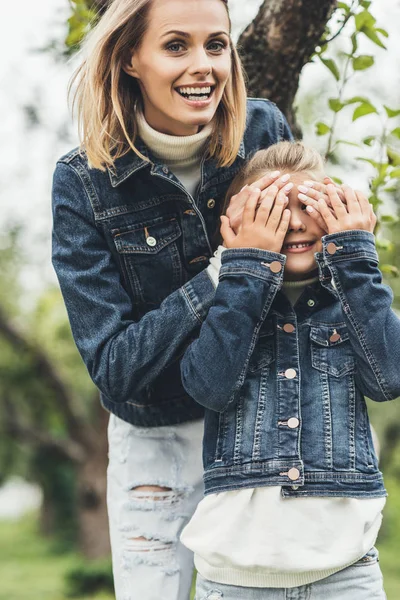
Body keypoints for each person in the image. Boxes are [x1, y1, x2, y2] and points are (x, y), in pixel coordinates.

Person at [51, 0, 293, 598]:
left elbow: (294, 284)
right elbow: (114, 368)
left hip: (252, 425)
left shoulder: (263, 131)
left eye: (217, 44)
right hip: (152, 444)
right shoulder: (84, 183)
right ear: (130, 56)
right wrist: (222, 272)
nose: (204, 66)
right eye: (176, 45)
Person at [180, 141, 400, 599]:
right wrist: (246, 266)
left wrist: (356, 257)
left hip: (347, 578)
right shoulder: (224, 303)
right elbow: (209, 386)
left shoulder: (353, 305)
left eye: (309, 205)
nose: (296, 222)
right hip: (235, 584)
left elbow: (389, 377)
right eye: (274, 210)